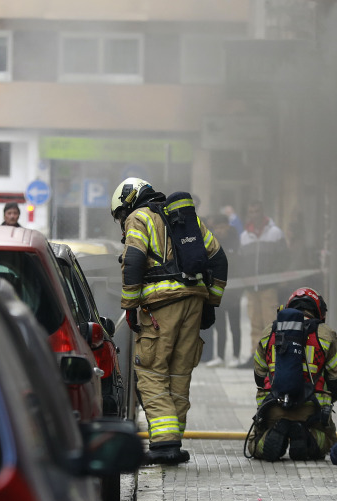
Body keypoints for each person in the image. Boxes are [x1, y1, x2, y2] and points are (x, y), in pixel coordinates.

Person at [111, 177, 228, 466]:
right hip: (194, 303)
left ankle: (164, 444)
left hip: (161, 307)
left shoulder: (139, 218)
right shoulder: (185, 218)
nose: (122, 221)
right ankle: (173, 441)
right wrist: (211, 303)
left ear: (128, 202)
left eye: (120, 215)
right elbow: (219, 259)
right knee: (179, 373)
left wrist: (130, 306)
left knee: (151, 371)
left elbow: (134, 260)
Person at [246, 287, 337, 462]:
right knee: (329, 440)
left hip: (273, 407)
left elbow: (259, 376)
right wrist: (325, 400)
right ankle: (308, 438)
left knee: (253, 444)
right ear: (318, 311)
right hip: (312, 410)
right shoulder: (326, 335)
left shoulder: (269, 332)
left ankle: (271, 435)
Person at [239, 200, 286, 357]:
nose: (254, 215)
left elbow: (283, 258)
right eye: (251, 212)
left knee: (270, 322)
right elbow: (241, 261)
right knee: (254, 324)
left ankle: (272, 356)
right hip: (251, 288)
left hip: (269, 287)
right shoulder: (245, 236)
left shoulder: (275, 233)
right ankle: (256, 355)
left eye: (257, 211)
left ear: (263, 211)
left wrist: (276, 277)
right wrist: (245, 277)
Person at [202, 213, 242, 367]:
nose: (219, 230)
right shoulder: (213, 241)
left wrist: (239, 291)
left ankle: (236, 356)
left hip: (234, 291)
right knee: (219, 326)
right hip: (218, 291)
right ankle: (220, 356)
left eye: (222, 227)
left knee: (234, 325)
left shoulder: (235, 241)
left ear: (227, 226)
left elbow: (240, 265)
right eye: (217, 228)